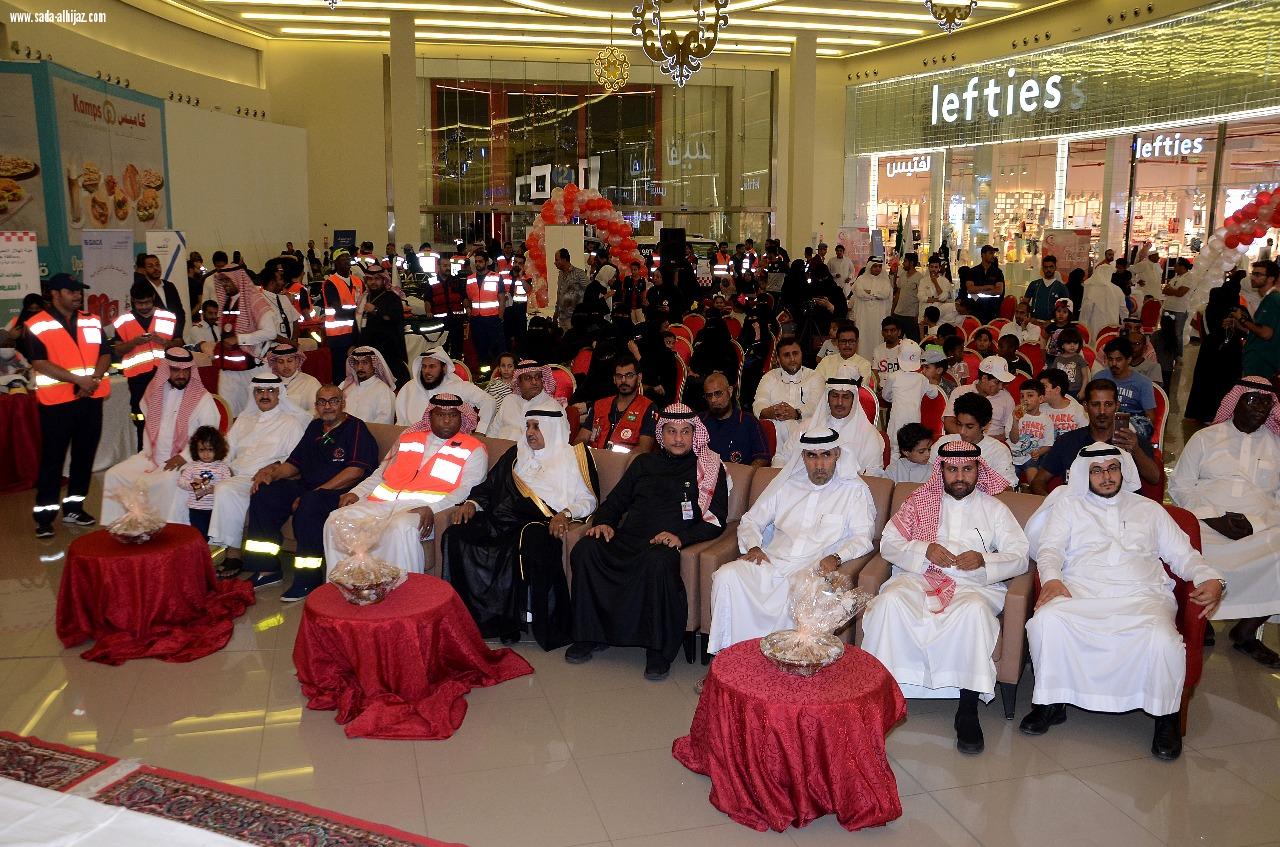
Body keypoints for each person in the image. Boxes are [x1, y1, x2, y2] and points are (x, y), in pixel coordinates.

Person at [1022, 444, 1224, 760]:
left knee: (1162, 639)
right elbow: (1050, 550)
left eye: (1112, 468)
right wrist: (1051, 579)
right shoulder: (1069, 507)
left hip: (1142, 596)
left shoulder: (1150, 510)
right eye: (1097, 470)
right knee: (1047, 622)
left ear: (1123, 470)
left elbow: (1184, 555)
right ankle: (1051, 701)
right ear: (1085, 475)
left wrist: (1210, 578)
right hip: (1082, 592)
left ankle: (1165, 716)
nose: (1106, 477)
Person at [861, 440, 1026, 754]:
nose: (960, 476)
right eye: (952, 469)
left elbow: (1019, 556)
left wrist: (984, 560)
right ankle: (876, 701)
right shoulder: (918, 502)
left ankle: (967, 710)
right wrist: (925, 550)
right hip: (919, 577)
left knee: (975, 614)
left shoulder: (995, 509)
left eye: (967, 469)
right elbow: (890, 544)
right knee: (888, 604)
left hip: (972, 586)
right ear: (942, 470)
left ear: (979, 469)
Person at [565, 404, 729, 680]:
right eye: (672, 431)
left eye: (686, 432)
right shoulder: (643, 463)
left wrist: (681, 538)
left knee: (657, 561)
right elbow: (615, 502)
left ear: (694, 434)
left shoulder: (709, 468)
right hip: (629, 537)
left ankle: (658, 650)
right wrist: (603, 522)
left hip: (665, 543)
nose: (679, 438)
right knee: (587, 549)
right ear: (661, 434)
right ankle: (589, 635)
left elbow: (716, 520)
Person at [445, 396, 600, 648]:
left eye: (536, 427)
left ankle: (511, 619)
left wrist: (566, 514)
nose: (530, 433)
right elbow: (489, 485)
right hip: (500, 518)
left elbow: (589, 499)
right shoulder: (516, 454)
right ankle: (473, 617)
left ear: (551, 428)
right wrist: (471, 504)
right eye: (528, 426)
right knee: (457, 534)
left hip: (538, 521)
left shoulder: (574, 457)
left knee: (529, 539)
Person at [707, 426, 877, 652]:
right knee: (727, 576)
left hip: (812, 569)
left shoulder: (854, 491)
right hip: (772, 562)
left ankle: (789, 669)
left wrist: (836, 557)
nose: (819, 464)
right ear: (803, 457)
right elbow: (750, 520)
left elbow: (863, 537)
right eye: (811, 456)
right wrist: (754, 546)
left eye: (826, 455)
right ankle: (727, 658)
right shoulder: (785, 483)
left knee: (807, 593)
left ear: (837, 454)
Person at [1169, 377, 1280, 666]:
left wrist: (1255, 522)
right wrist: (1213, 517)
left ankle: (1246, 631)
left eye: (1266, 403)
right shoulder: (1205, 438)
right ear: (1236, 401)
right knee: (1189, 546)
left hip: (1261, 527)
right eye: (1252, 401)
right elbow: (1180, 486)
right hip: (1207, 521)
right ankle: (1200, 620)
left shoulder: (1276, 444)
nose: (1259, 409)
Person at [323, 394, 488, 577]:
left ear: (462, 417)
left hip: (419, 510)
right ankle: (343, 586)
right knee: (335, 519)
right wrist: (356, 492)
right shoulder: (409, 438)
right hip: (380, 504)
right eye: (440, 415)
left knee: (399, 527)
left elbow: (467, 489)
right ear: (430, 416)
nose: (447, 420)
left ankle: (402, 592)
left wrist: (432, 509)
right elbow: (380, 473)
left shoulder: (474, 448)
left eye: (453, 416)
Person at [239, 384, 379, 600]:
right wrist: (272, 475)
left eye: (333, 401)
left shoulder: (356, 428)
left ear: (343, 403)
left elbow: (355, 471)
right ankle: (267, 568)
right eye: (322, 402)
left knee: (310, 504)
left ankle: (308, 580)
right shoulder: (315, 427)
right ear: (316, 406)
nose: (328, 407)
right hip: (307, 486)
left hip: (340, 492)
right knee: (264, 493)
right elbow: (294, 463)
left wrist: (315, 492)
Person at [22, 273, 111, 537]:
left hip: (90, 400)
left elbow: (106, 352)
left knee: (84, 457)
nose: (78, 295)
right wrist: (77, 380)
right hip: (57, 404)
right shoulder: (36, 323)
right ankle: (45, 517)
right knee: (53, 460)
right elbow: (39, 362)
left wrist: (93, 379)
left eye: (78, 291)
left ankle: (74, 508)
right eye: (71, 291)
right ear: (55, 293)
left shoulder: (91, 321)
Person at [100, 348, 220, 527]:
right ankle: (123, 526)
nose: (182, 375)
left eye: (186, 370)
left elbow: (209, 436)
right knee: (114, 474)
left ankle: (165, 530)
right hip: (152, 456)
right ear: (166, 370)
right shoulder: (154, 392)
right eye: (176, 370)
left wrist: (184, 456)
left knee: (167, 481)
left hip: (188, 460)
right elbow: (150, 427)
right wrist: (149, 455)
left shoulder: (202, 399)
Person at [206, 374, 312, 562]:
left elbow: (295, 459)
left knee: (225, 489)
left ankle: (232, 553)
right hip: (234, 474)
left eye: (270, 390)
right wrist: (218, 470)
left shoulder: (290, 423)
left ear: (279, 394)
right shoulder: (244, 419)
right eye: (259, 391)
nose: (265, 395)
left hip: (264, 479)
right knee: (196, 482)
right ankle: (200, 546)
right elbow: (226, 451)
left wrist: (272, 469)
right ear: (253, 394)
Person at [1028, 378, 1162, 495]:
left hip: (1121, 516)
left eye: (1108, 404)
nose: (1102, 411)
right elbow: (1038, 481)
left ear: (1117, 406)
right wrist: (1052, 504)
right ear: (1085, 406)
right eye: (1095, 404)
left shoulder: (1131, 441)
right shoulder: (1067, 441)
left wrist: (1136, 450)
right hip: (1078, 516)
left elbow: (1154, 478)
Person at [773, 364, 884, 477]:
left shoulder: (868, 434)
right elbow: (781, 458)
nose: (839, 402)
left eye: (845, 397)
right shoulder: (806, 427)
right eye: (835, 396)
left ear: (853, 400)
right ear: (827, 398)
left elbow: (874, 475)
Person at [111, 281, 181, 448]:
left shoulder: (167, 317)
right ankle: (144, 452)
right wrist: (134, 342)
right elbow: (118, 350)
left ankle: (168, 451)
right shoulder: (123, 321)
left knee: (168, 415)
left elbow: (179, 343)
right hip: (138, 378)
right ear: (132, 302)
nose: (143, 307)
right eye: (139, 303)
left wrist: (163, 341)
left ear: (153, 298)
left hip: (165, 374)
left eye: (147, 302)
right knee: (140, 416)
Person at [213, 265, 277, 416]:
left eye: (228, 281)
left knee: (256, 413)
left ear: (238, 279)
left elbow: (271, 333)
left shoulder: (255, 300)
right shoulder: (227, 302)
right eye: (222, 282)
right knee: (228, 413)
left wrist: (240, 339)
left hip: (253, 368)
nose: (225, 285)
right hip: (228, 370)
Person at [395, 347, 495, 432]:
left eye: (432, 366)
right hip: (413, 441)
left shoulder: (460, 387)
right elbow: (399, 424)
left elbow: (489, 401)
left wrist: (481, 431)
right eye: (424, 367)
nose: (426, 371)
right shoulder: (409, 388)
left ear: (444, 368)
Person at [932, 391, 1018, 487]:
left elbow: (1007, 488)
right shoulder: (943, 444)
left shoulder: (998, 451)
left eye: (969, 426)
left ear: (984, 425)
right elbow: (928, 478)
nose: (962, 431)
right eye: (959, 424)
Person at [576, 354, 658, 454]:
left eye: (629, 375)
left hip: (627, 465)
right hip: (594, 462)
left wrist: (614, 462)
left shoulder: (648, 407)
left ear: (639, 377)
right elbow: (581, 439)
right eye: (619, 376)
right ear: (614, 379)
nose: (623, 380)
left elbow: (644, 449)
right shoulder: (599, 405)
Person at [752, 335, 822, 448]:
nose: (792, 359)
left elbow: (816, 405)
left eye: (795, 353)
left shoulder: (814, 377)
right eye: (786, 355)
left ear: (801, 354)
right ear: (778, 359)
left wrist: (796, 413)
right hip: (775, 430)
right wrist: (770, 412)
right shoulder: (769, 377)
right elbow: (759, 402)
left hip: (806, 431)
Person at [356, 264, 410, 386]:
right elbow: (357, 322)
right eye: (370, 279)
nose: (373, 282)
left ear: (383, 279)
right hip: (367, 351)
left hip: (389, 352)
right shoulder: (364, 298)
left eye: (377, 279)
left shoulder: (391, 297)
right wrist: (354, 344)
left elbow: (395, 318)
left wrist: (375, 311)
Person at [699, 372, 769, 466]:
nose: (713, 400)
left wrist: (745, 477)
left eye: (718, 393)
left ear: (730, 391)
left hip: (740, 477)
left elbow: (762, 458)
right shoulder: (699, 422)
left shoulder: (749, 421)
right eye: (709, 395)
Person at [943, 356, 1016, 442]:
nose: (1000, 387)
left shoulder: (1007, 398)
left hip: (992, 446)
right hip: (961, 441)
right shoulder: (960, 392)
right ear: (984, 378)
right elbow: (949, 422)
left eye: (1002, 383)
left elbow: (1008, 432)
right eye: (997, 382)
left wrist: (986, 442)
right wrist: (968, 439)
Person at [177, 426, 232, 541]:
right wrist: (194, 484)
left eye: (210, 449)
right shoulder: (192, 466)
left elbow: (228, 485)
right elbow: (181, 482)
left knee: (214, 535)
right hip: (196, 509)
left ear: (218, 449)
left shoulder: (222, 467)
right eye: (202, 450)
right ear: (195, 450)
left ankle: (213, 551)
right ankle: (200, 553)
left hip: (215, 508)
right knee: (199, 535)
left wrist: (215, 489)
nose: (206, 454)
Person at [881, 339, 938, 446]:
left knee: (894, 449)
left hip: (896, 423)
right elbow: (934, 394)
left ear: (899, 358)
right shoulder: (922, 379)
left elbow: (885, 396)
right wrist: (931, 382)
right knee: (913, 448)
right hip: (914, 422)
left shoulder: (893, 376)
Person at [1101, 337, 1157, 440]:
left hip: (1131, 425)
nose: (1113, 364)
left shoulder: (1143, 383)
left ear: (1129, 360)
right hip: (1103, 419)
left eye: (1118, 359)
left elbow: (1150, 418)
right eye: (1110, 359)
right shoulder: (1099, 378)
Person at [490, 359, 559, 441]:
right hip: (500, 449)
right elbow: (493, 432)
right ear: (518, 382)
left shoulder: (551, 406)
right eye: (527, 378)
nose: (534, 382)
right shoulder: (509, 400)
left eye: (537, 377)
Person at [322, 249, 363, 383]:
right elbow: (339, 312)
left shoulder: (358, 281)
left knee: (358, 371)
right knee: (341, 372)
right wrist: (360, 311)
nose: (346, 260)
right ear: (335, 263)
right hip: (338, 336)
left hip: (356, 333)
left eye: (348, 257)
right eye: (342, 258)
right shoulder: (330, 283)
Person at [1235, 260, 1280, 379]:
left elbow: (1266, 333)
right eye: (1252, 274)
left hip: (1261, 362)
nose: (1253, 278)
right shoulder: (1270, 298)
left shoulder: (1272, 300)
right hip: (1262, 361)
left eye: (1258, 274)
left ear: (1271, 278)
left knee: (1254, 395)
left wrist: (1242, 320)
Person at [465, 252, 507, 366]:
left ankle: (499, 372)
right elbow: (468, 299)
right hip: (476, 320)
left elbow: (502, 299)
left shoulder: (496, 277)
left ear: (486, 262)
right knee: (480, 348)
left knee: (497, 347)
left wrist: (500, 317)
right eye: (476, 261)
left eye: (480, 261)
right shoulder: (470, 279)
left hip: (493, 319)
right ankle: (485, 373)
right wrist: (468, 309)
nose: (478, 264)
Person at [1010, 378, 1055, 483]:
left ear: (1040, 399)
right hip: (1013, 457)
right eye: (1022, 396)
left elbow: (1048, 445)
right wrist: (1015, 422)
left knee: (1033, 479)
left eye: (1030, 395)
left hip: (1030, 457)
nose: (1025, 399)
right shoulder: (1015, 415)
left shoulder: (1046, 420)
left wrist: (1038, 452)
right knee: (1011, 481)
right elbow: (1013, 440)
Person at [340, 345, 396, 425]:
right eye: (356, 363)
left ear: (374, 365)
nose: (360, 367)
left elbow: (383, 424)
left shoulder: (383, 391)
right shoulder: (344, 386)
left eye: (365, 362)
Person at [138, 253, 188, 340]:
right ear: (144, 270)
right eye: (150, 266)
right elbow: (141, 316)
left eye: (157, 265)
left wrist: (177, 335)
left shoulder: (170, 286)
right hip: (153, 338)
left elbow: (180, 312)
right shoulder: (140, 289)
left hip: (175, 337)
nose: (155, 268)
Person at [815, 320, 877, 390]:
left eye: (851, 341)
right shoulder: (826, 361)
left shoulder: (864, 364)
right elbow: (816, 385)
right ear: (837, 343)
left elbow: (861, 391)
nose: (847, 345)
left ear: (857, 342)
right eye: (843, 341)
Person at [265, 341, 320, 416]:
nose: (286, 366)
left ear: (297, 361)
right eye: (281, 362)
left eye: (290, 361)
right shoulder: (269, 383)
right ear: (275, 364)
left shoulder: (310, 382)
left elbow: (317, 411)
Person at [850, 256, 894, 342]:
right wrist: (876, 294)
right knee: (863, 336)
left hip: (879, 315)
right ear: (870, 266)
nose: (877, 268)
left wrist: (869, 292)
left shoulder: (885, 281)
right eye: (875, 266)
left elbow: (884, 294)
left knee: (877, 336)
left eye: (879, 266)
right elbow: (859, 293)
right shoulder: (861, 279)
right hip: (863, 316)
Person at [1080, 261, 1129, 339]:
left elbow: (1086, 309)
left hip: (1095, 327)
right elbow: (1124, 311)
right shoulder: (1117, 289)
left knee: (1096, 346)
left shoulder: (1091, 289)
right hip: (1112, 327)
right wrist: (1124, 325)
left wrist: (1082, 326)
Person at [1038, 368, 1089, 438]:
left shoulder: (1078, 410)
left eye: (1044, 387)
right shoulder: (1039, 409)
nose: (1039, 391)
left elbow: (1085, 435)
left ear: (1057, 389)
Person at [1161, 257, 1194, 360]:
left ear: (1182, 267)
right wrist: (1173, 290)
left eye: (1176, 265)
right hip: (1167, 307)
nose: (1174, 267)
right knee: (1165, 331)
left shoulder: (1189, 277)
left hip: (1179, 309)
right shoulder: (1175, 278)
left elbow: (1181, 293)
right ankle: (1167, 353)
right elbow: (1164, 290)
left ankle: (1178, 356)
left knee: (1177, 333)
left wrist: (1171, 290)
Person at [1022, 255, 1068, 322]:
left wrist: (1053, 321)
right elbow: (1024, 304)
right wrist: (1028, 318)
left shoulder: (1061, 287)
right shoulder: (1034, 284)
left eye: (1051, 267)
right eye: (1046, 267)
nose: (1048, 269)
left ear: (1055, 268)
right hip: (1033, 323)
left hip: (1053, 325)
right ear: (1042, 268)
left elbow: (1066, 309)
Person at [553, 248, 590, 331]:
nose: (555, 263)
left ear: (564, 259)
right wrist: (556, 314)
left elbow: (589, 290)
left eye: (557, 260)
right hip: (562, 316)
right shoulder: (560, 275)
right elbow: (559, 295)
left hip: (574, 317)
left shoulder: (579, 274)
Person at [967, 245, 1005, 323]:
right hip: (975, 308)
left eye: (993, 253)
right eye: (990, 253)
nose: (993, 256)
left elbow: (999, 291)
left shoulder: (997, 272)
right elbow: (970, 289)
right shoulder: (973, 271)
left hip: (992, 308)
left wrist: (978, 289)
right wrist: (988, 287)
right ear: (983, 255)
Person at [1122, 317, 1163, 386]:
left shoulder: (1151, 360)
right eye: (1128, 328)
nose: (1132, 331)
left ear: (1144, 348)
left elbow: (1154, 391)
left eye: (1136, 328)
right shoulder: (1118, 363)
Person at [1048, 326, 1087, 398]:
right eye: (1069, 343)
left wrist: (1082, 391)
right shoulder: (1057, 359)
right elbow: (1053, 377)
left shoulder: (1079, 358)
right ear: (1062, 345)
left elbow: (1085, 377)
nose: (1072, 346)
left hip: (1076, 391)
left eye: (1075, 343)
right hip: (1060, 390)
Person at [891, 252, 923, 340]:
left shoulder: (920, 278)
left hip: (911, 315)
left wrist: (918, 314)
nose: (903, 264)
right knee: (896, 341)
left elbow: (921, 298)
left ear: (911, 263)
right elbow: (898, 293)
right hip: (898, 314)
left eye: (905, 261)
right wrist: (893, 310)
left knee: (913, 341)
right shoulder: (902, 275)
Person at [918, 254, 956, 326]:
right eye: (931, 267)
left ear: (939, 268)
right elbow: (921, 297)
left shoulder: (945, 281)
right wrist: (937, 299)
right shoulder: (923, 281)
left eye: (936, 267)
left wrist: (935, 282)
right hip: (924, 316)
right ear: (929, 267)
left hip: (939, 317)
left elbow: (943, 297)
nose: (933, 269)